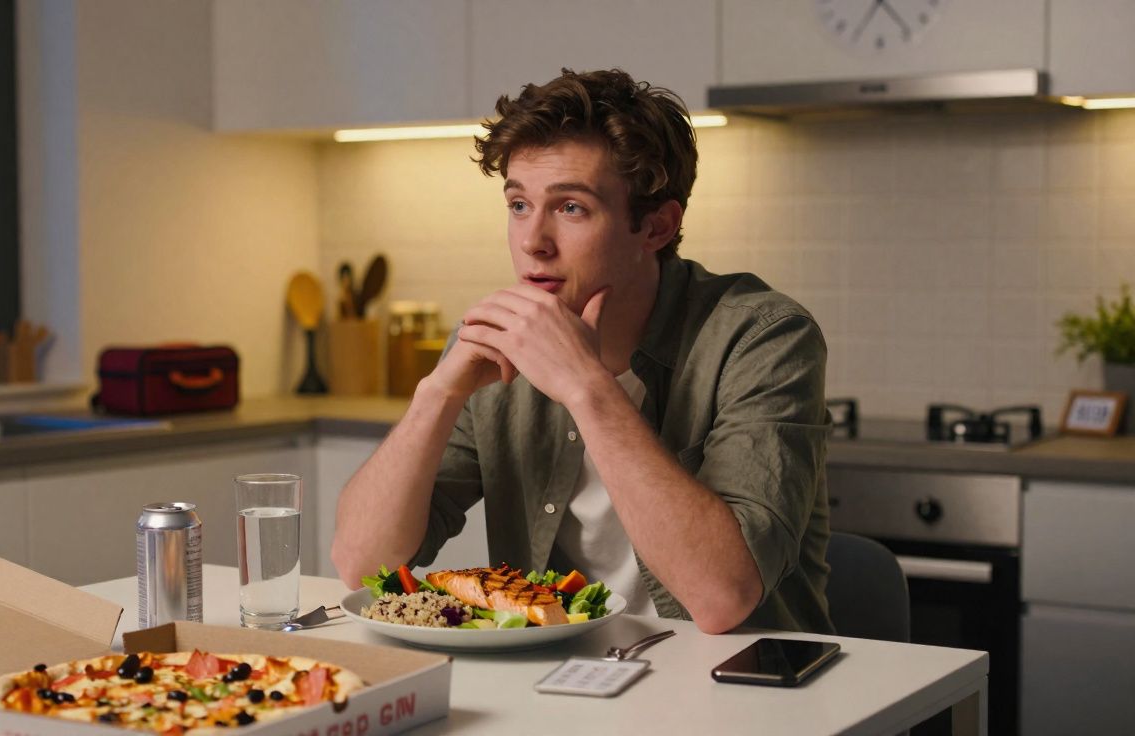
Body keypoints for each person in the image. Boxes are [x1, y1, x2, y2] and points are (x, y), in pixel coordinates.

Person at [331, 68, 832, 635]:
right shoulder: (494, 340)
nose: (532, 241)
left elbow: (721, 599)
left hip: (739, 689)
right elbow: (360, 565)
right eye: (519, 205)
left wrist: (586, 386)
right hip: (559, 683)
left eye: (570, 208)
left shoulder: (764, 336)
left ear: (658, 227)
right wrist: (436, 394)